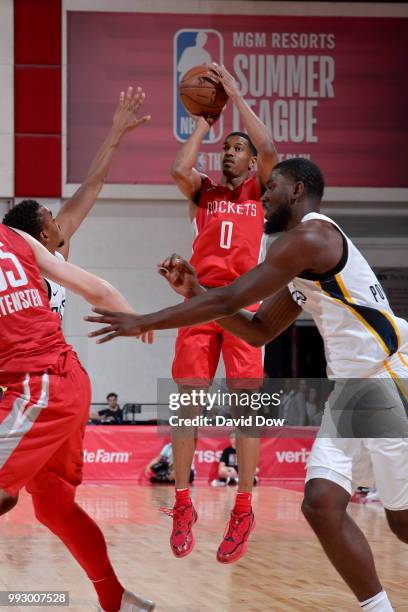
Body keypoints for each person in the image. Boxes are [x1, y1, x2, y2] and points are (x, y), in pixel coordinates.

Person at [87, 157, 408, 609]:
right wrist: (198, 295)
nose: (263, 196)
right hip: (352, 389)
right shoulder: (300, 261)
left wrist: (143, 318)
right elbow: (259, 331)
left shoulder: (311, 238)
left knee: (402, 524)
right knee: (319, 503)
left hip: (388, 380)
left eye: (271, 187)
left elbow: (233, 296)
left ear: (297, 191)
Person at [0, 224, 154, 612]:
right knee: (54, 508)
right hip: (69, 382)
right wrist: (137, 319)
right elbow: (97, 289)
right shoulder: (16, 237)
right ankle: (116, 598)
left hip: (39, 388)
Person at [162, 62, 277, 562]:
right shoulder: (203, 192)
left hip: (244, 307)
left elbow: (270, 149)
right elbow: (177, 171)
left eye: (237, 150)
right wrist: (204, 121)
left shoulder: (260, 191)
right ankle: (183, 502)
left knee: (245, 412)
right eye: (225, 149)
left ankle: (243, 508)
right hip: (200, 302)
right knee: (187, 405)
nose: (229, 155)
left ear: (250, 164)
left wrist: (234, 94)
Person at [3, 86, 151, 324]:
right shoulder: (24, 278)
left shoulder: (56, 254)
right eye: (51, 218)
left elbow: (92, 185)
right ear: (43, 235)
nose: (58, 220)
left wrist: (116, 132)